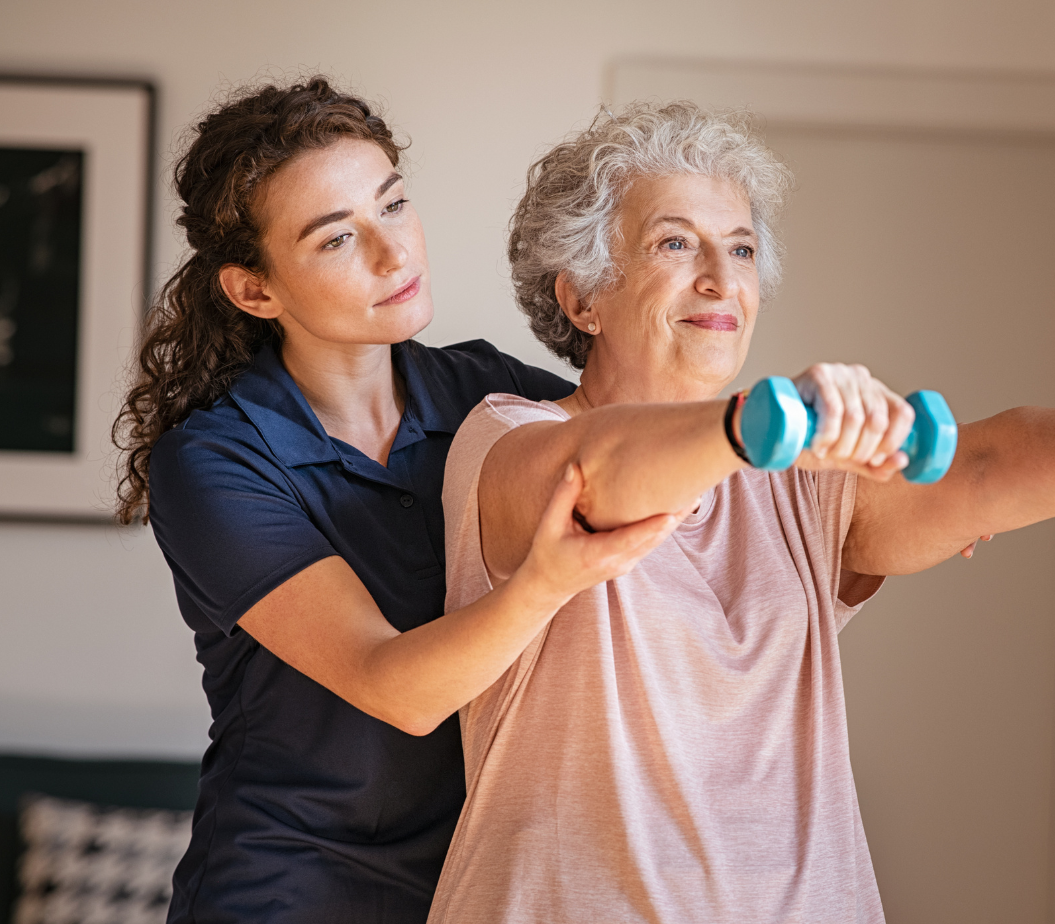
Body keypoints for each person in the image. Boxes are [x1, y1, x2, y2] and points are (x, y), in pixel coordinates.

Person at [426, 101, 1055, 924]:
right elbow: (595, 477)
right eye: (675, 243)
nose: (722, 279)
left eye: (743, 248)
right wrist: (761, 421)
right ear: (582, 299)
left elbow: (981, 466)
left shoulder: (797, 475)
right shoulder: (510, 436)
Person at [113, 78, 679, 924]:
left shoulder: (487, 392)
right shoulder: (214, 462)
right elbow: (398, 689)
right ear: (254, 290)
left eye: (395, 205)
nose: (394, 253)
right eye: (338, 239)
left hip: (473, 880)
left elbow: (632, 455)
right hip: (290, 886)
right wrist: (546, 582)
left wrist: (839, 526)